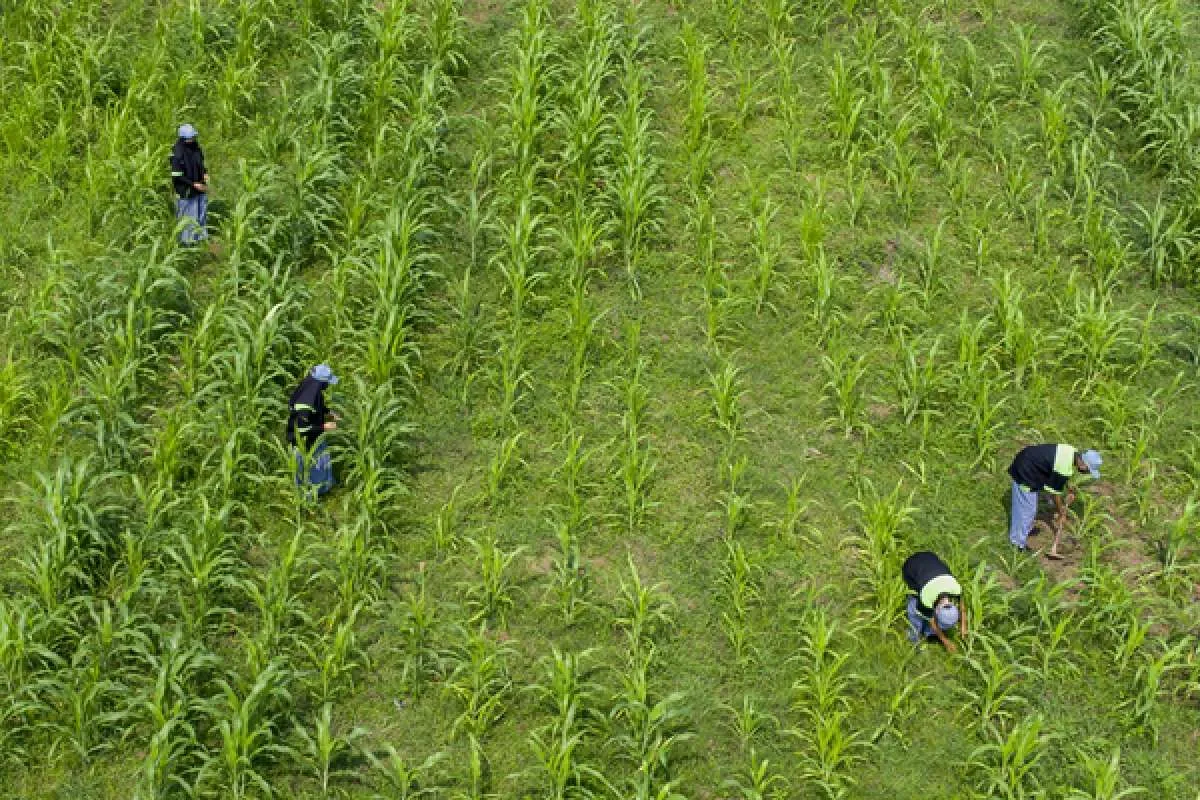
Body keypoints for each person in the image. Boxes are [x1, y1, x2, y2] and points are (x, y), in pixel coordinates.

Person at [1007, 444, 1101, 553]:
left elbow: (1057, 471)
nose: (1087, 472)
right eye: (1088, 469)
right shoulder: (1063, 467)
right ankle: (1017, 543)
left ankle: (1026, 529)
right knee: (1027, 509)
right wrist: (1061, 512)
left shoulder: (1071, 452)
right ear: (1082, 463)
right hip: (1025, 469)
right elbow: (1054, 494)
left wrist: (1068, 486)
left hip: (1032, 461)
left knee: (1029, 506)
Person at [287, 364, 339, 498]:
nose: (328, 385)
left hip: (314, 436)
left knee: (321, 459)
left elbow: (317, 405)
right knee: (309, 467)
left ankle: (321, 489)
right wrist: (324, 427)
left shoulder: (312, 389)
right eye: (326, 383)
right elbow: (301, 429)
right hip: (304, 442)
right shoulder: (305, 402)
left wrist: (328, 412)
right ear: (320, 382)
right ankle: (309, 495)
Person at [902, 551, 967, 652]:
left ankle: (930, 634)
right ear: (936, 611)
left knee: (928, 614)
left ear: (952, 604)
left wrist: (964, 627)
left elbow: (962, 608)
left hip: (931, 558)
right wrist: (945, 642)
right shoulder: (926, 598)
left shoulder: (956, 588)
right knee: (914, 609)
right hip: (911, 567)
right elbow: (932, 621)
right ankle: (913, 637)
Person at [170, 123, 209, 245]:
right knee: (189, 218)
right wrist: (193, 184)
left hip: (200, 187)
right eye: (190, 138)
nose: (192, 139)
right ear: (183, 138)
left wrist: (204, 173)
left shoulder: (196, 147)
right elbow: (177, 175)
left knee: (201, 214)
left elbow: (200, 163)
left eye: (193, 137)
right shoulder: (177, 153)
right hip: (186, 190)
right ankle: (187, 244)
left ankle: (201, 240)